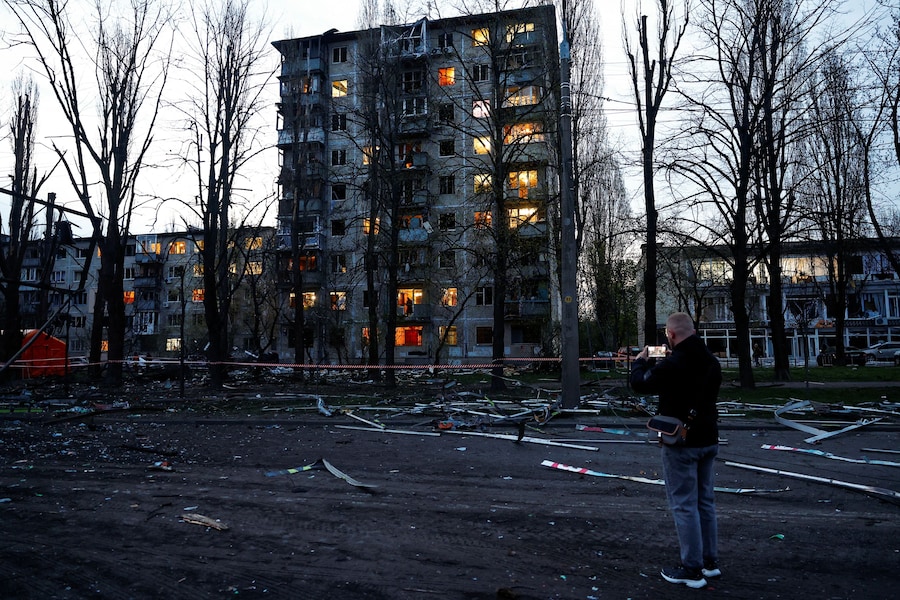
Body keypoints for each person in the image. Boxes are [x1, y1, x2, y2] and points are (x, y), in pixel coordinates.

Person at [629, 312, 722, 589]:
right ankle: (709, 563)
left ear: (670, 335)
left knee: (683, 505)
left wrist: (639, 362)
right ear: (692, 331)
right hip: (709, 438)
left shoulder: (675, 363)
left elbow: (640, 384)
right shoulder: (711, 360)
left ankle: (692, 569)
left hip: (681, 442)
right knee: (705, 502)